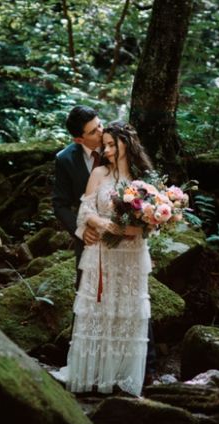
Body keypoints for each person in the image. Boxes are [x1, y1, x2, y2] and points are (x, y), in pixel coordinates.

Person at [61, 121, 154, 397]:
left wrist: (132, 228)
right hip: (101, 252)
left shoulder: (143, 178)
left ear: (127, 144)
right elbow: (84, 212)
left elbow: (151, 225)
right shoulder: (99, 173)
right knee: (99, 311)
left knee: (126, 312)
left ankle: (122, 377)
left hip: (131, 254)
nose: (108, 150)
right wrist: (103, 225)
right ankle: (95, 376)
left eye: (113, 145)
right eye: (106, 145)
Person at [52, 105, 104, 276]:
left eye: (100, 125)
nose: (101, 132)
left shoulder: (118, 144)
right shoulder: (64, 160)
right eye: (93, 132)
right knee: (85, 286)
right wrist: (80, 230)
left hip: (122, 230)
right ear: (79, 140)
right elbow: (60, 204)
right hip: (90, 234)